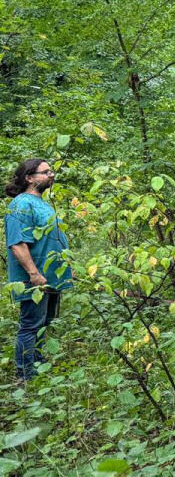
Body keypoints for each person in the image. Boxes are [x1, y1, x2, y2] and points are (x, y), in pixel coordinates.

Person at [6, 159, 73, 381]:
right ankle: (25, 375)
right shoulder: (21, 204)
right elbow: (17, 243)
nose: (51, 175)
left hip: (53, 277)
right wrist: (34, 274)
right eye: (46, 172)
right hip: (35, 278)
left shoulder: (42, 203)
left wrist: (66, 268)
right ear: (29, 177)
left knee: (45, 324)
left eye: (52, 171)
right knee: (31, 325)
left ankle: (38, 367)